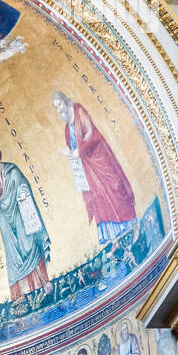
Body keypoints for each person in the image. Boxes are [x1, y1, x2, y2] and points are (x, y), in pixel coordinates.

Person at [52, 93, 137, 243]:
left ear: (65, 100)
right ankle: (114, 239)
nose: (59, 109)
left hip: (99, 157)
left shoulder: (79, 112)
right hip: (88, 169)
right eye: (56, 107)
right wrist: (70, 152)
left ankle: (131, 224)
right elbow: (71, 146)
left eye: (59, 105)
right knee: (99, 199)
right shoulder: (67, 127)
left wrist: (79, 148)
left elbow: (90, 132)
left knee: (115, 187)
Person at [0, 147, 51, 299]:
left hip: (17, 210)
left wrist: (22, 192)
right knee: (13, 255)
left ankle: (45, 282)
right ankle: (21, 293)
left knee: (29, 245)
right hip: (4, 216)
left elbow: (22, 184)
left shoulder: (11, 171)